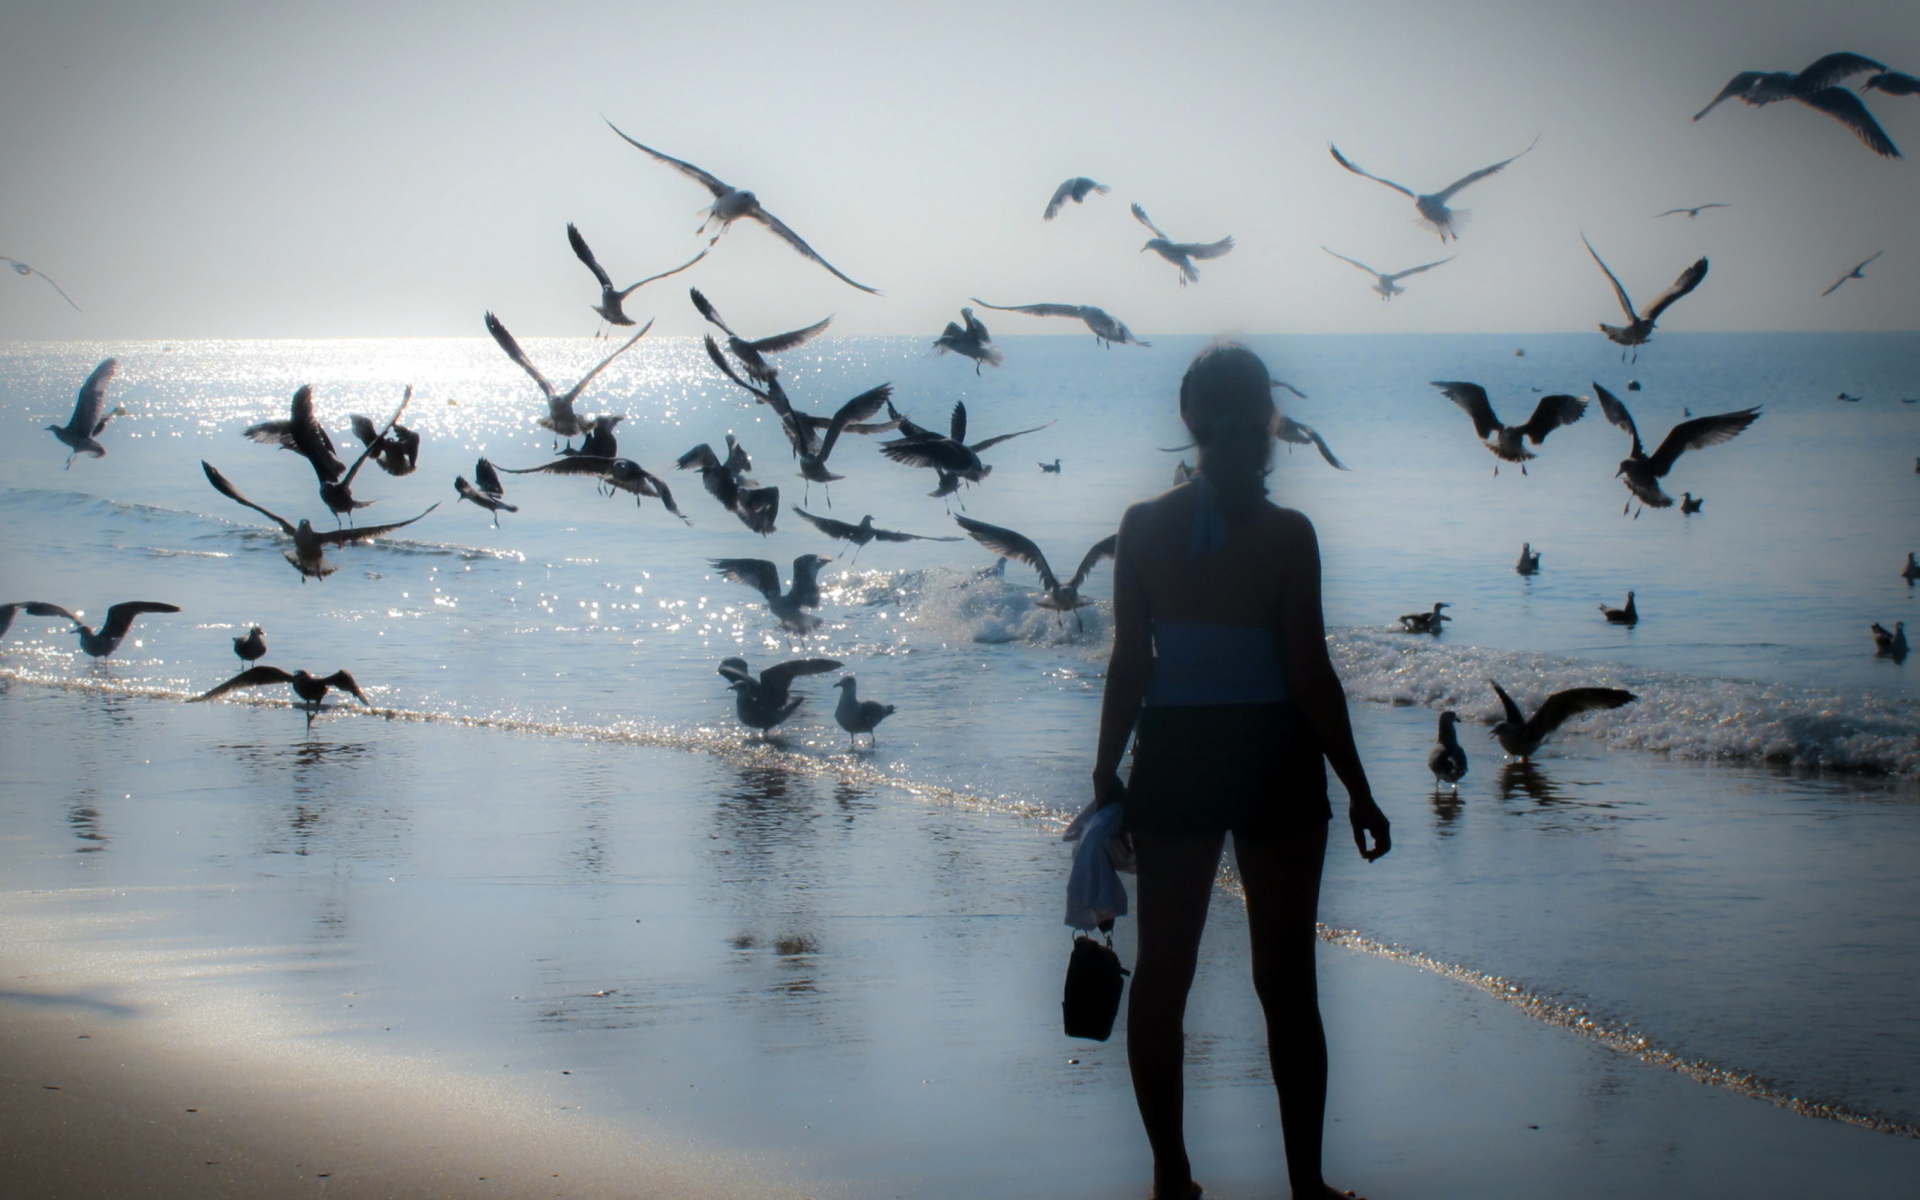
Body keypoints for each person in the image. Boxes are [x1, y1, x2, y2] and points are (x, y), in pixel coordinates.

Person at [1091, 342, 1391, 1200]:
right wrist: (1359, 787)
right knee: (1288, 981)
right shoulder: (1289, 535)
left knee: (1163, 975)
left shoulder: (1142, 527)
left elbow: (1130, 668)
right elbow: (1309, 675)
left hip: (1178, 757)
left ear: (1187, 418)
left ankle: (1171, 1179)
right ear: (1267, 421)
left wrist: (1105, 775)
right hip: (1274, 755)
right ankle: (1306, 1187)